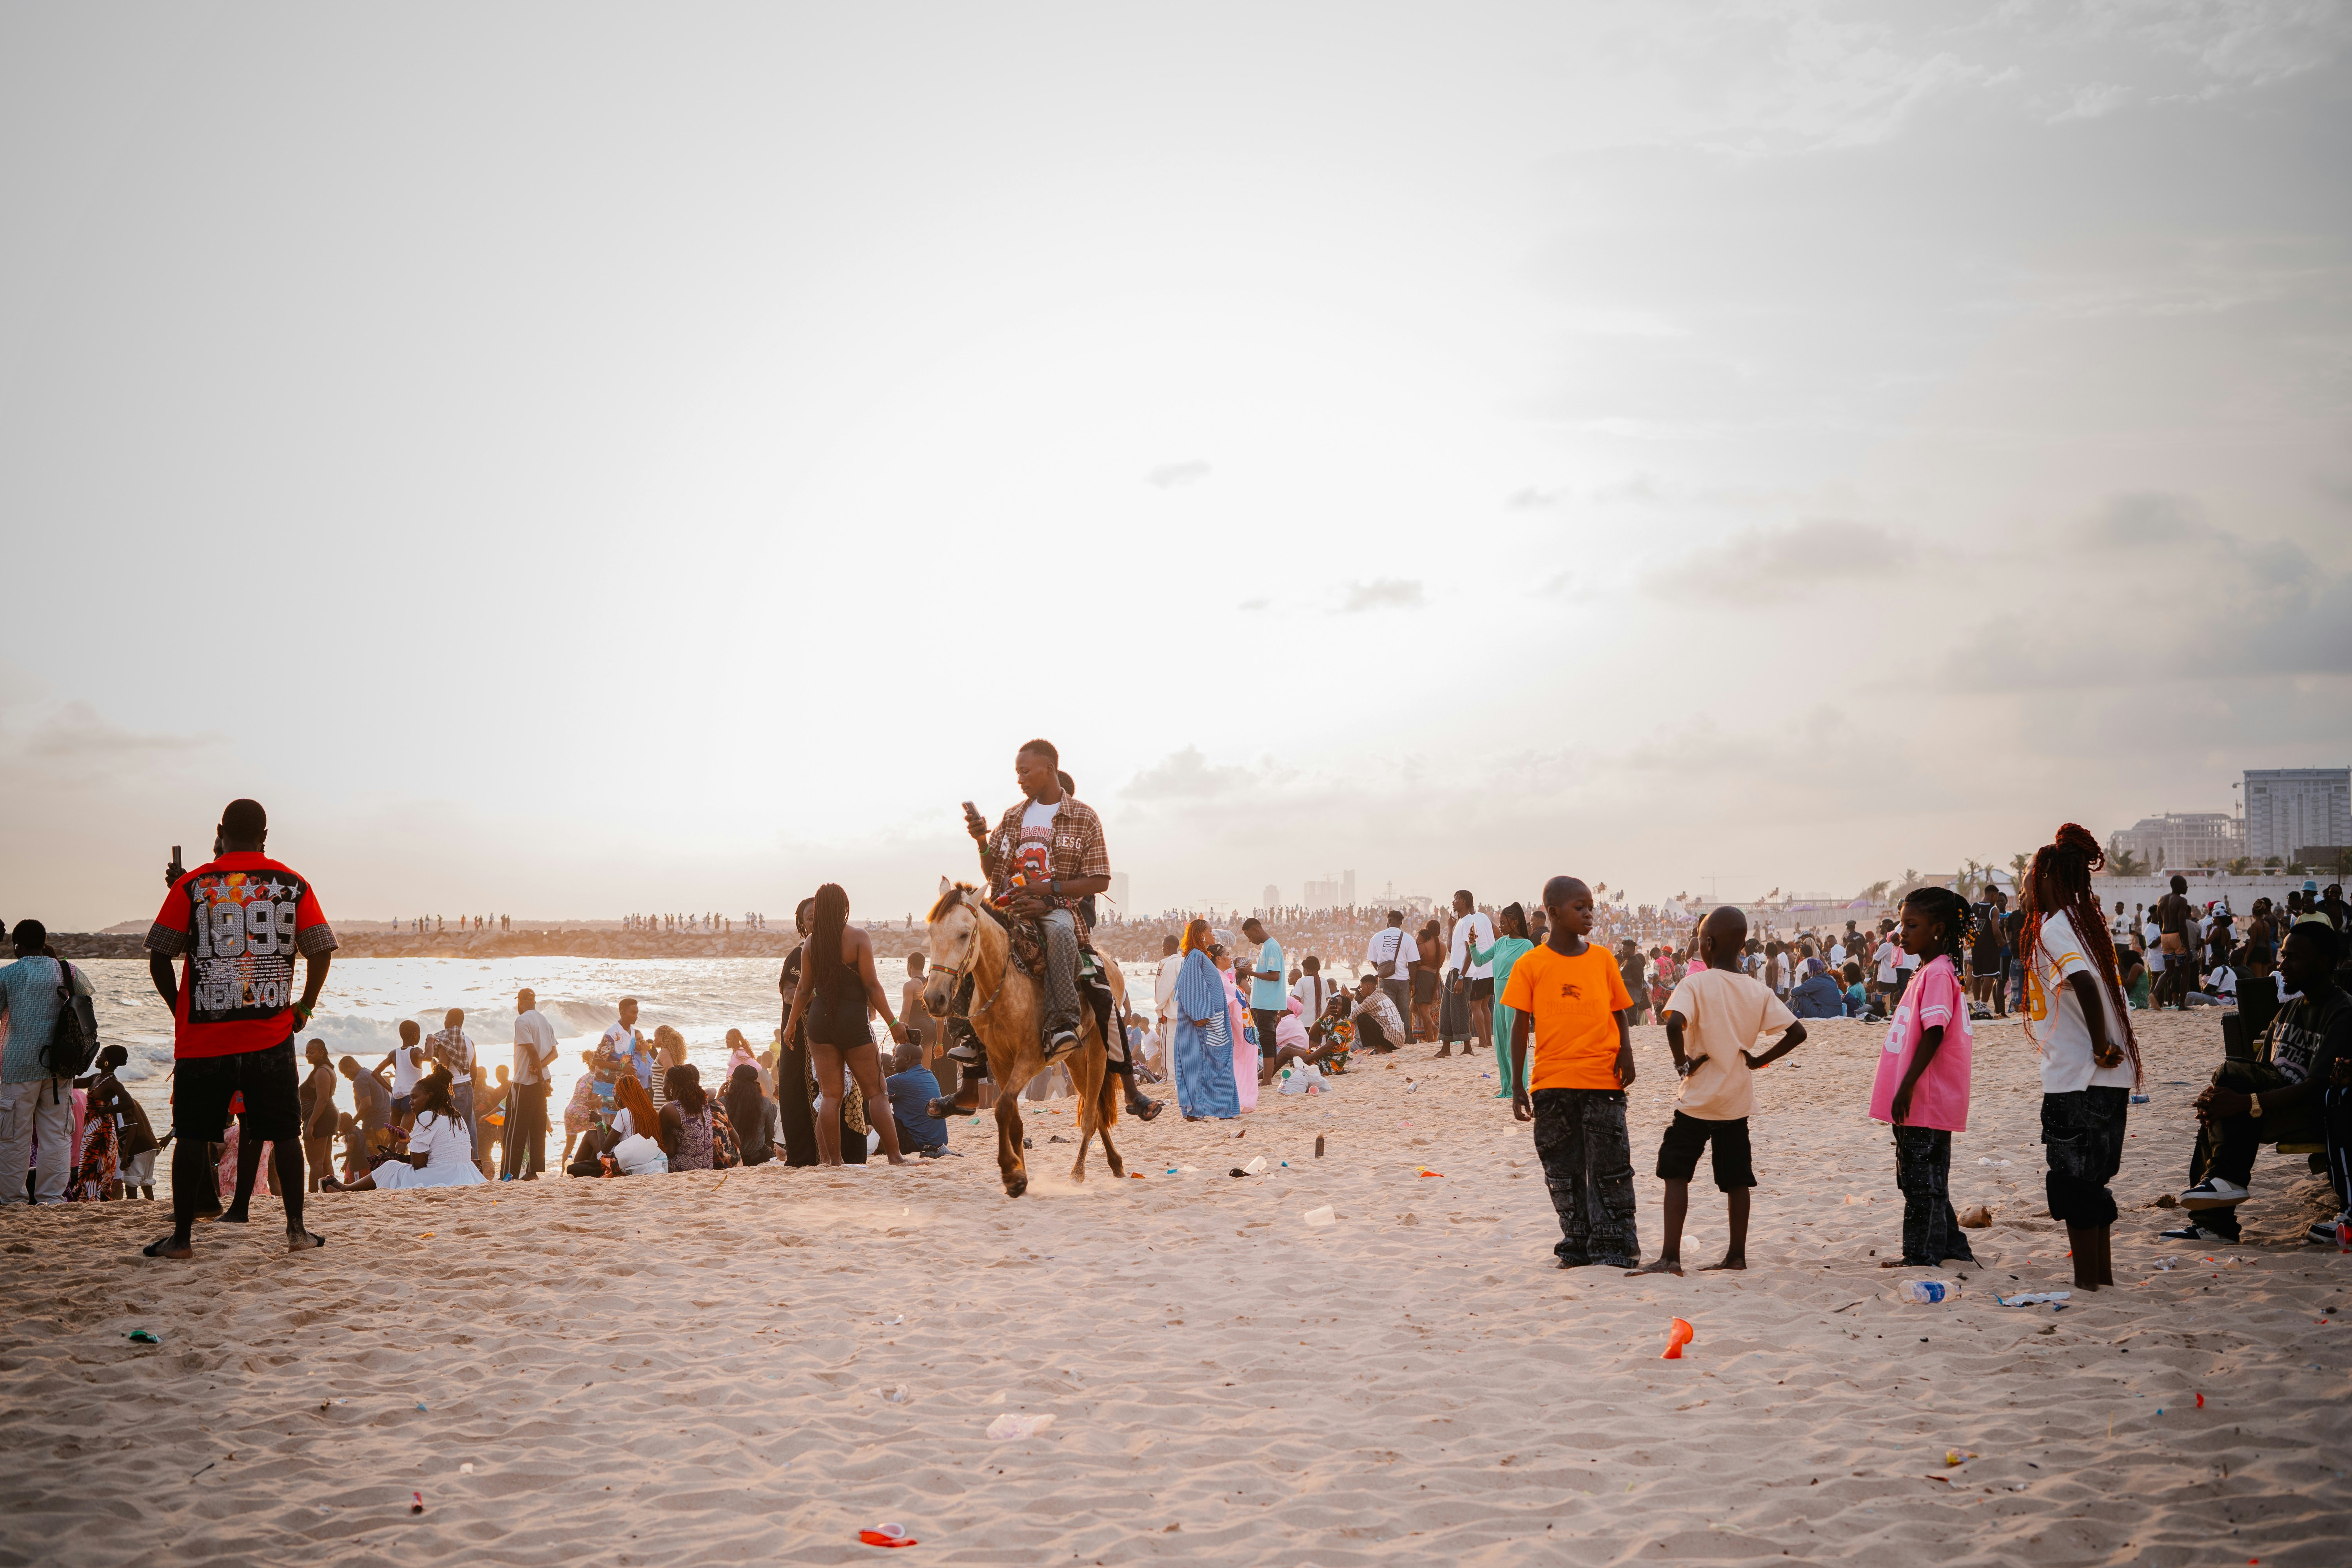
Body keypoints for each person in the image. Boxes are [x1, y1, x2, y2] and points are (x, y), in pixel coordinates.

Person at [139, 799, 332, 1257]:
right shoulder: (293, 883)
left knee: (191, 1135)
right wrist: (303, 1007)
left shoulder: (193, 884)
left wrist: (179, 1011)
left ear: (221, 831)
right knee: (286, 1134)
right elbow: (321, 948)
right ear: (265, 837)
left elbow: (159, 956)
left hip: (204, 1040)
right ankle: (297, 1231)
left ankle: (182, 1239)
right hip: (270, 1036)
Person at [1629, 905, 1804, 1276]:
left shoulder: (1695, 984)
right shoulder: (1756, 989)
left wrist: (1683, 1065)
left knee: (1676, 1172)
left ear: (1707, 943)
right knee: (1737, 1178)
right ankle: (1736, 1256)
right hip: (1736, 1101)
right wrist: (1757, 1061)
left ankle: (1671, 1257)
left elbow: (1674, 1024)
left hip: (1697, 1101)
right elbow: (1797, 1032)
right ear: (1741, 945)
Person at [2168, 920, 2348, 1244]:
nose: (2283, 965)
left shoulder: (2342, 1012)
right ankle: (2214, 1222)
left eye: (2293, 958)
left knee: (2228, 1082)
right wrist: (2224, 1100)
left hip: (2313, 1112)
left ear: (2322, 963)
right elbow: (2259, 1071)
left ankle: (2222, 1187)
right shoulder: (2289, 1010)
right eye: (2283, 955)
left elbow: (2316, 1087)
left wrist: (2245, 1102)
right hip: (2273, 1107)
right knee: (2217, 1103)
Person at [2019, 824, 2139, 1291]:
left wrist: (2097, 1044)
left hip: (2079, 1076)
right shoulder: (2086, 925)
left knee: (2073, 1185)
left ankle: (2088, 1283)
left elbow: (2085, 984)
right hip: (2109, 1078)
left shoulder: (2054, 927)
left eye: (2029, 874)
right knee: (2094, 1184)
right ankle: (2101, 1280)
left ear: (2047, 875)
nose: (2024, 884)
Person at [1505, 877, 1639, 1270]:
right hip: (1551, 1082)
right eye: (1579, 907)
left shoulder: (1602, 959)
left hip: (1603, 1080)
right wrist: (1517, 1084)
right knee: (1561, 1168)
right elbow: (1519, 1025)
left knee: (1611, 1168)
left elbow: (1619, 1010)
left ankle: (1614, 1244)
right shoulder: (1531, 963)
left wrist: (1627, 1052)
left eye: (1590, 906)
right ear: (1553, 912)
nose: (1588, 913)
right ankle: (1577, 1240)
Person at [960, 739, 1112, 1070]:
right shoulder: (1014, 816)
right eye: (1018, 772)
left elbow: (1100, 880)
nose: (1020, 779)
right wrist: (983, 841)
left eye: (1025, 771)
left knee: (1059, 933)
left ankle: (1061, 1024)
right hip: (1010, 908)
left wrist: (1048, 889)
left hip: (1057, 908)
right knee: (969, 935)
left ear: (1049, 769)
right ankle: (970, 1034)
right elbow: (994, 872)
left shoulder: (1084, 817)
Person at [1869, 888, 1978, 1270]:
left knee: (1921, 1183)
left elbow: (1934, 1031)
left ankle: (1921, 1255)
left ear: (1938, 929)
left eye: (1912, 925)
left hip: (1926, 1098)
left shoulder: (1937, 973)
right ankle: (1952, 1246)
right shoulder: (1930, 970)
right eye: (1902, 924)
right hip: (1922, 1099)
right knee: (1928, 1179)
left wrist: (1908, 1083)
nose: (1903, 933)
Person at [779, 883, 910, 1165]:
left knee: (830, 1096)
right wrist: (894, 1023)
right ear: (844, 908)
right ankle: (896, 1157)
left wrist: (790, 1026)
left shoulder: (811, 944)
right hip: (852, 1022)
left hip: (819, 1024)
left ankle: (835, 1163)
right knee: (877, 1091)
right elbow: (873, 986)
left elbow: (802, 990)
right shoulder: (858, 938)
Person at [0, 918, 95, 1205]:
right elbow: (86, 1005)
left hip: (19, 1066)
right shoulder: (69, 970)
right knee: (56, 1135)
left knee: (14, 1137)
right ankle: (51, 1198)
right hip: (60, 1065)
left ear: (17, 945)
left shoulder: (8, 975)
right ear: (44, 941)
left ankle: (12, 1200)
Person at [321, 1072, 485, 1191]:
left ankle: (345, 1189)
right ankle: (347, 1188)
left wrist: (412, 1145)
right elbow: (444, 1145)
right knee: (394, 1167)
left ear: (430, 1096)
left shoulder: (428, 1116)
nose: (411, 1103)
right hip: (464, 1172)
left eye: (415, 1098)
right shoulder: (455, 1116)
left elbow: (418, 1164)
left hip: (441, 1176)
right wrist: (410, 1139)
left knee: (391, 1166)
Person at [1170, 919, 1241, 1120]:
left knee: (1211, 1064)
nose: (1213, 935)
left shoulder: (1199, 955)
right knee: (1201, 1065)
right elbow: (1188, 985)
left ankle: (1215, 1109)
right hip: (1203, 1023)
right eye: (1210, 931)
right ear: (1201, 934)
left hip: (1210, 1021)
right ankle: (1200, 1111)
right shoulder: (1195, 956)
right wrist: (1200, 1015)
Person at [1473, 906, 1537, 1100]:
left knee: (1514, 1045)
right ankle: (1506, 1088)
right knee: (1501, 1046)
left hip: (1516, 998)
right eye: (1499, 922)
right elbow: (1479, 961)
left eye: (1502, 922)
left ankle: (1519, 1087)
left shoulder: (1527, 946)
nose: (1499, 926)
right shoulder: (1500, 943)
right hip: (1499, 998)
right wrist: (1472, 945)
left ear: (1514, 922)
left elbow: (1533, 975)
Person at [80, 1045, 158, 1200]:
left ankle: (131, 1207)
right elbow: (71, 1083)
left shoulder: (114, 1090)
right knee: (145, 1183)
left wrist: (126, 1154)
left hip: (138, 1148)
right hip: (147, 1145)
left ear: (107, 1062)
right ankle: (148, 1207)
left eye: (101, 1055)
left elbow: (132, 1124)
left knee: (132, 1182)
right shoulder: (96, 1079)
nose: (98, 1058)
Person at [508, 987, 561, 1179]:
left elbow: (532, 1052)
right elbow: (554, 1053)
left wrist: (537, 1074)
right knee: (537, 1128)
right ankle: (533, 1172)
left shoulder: (522, 1020)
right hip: (543, 1079)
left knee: (515, 1130)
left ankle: (509, 1173)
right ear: (534, 1002)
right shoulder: (544, 1021)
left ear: (520, 1002)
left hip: (526, 1081)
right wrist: (541, 1071)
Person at [1448, 891, 1497, 1051]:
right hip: (1491, 967)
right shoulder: (1484, 917)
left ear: (1464, 902)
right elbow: (1499, 935)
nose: (1453, 902)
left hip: (1479, 969)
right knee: (1485, 1006)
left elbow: (1467, 951)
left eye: (1456, 899)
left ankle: (1483, 1042)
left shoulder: (1467, 922)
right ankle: (1488, 1042)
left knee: (1474, 1005)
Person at [884, 1043, 949, 1156]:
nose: (893, 1060)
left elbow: (872, 1096)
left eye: (896, 1056)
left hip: (918, 1145)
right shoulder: (930, 1076)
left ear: (908, 1059)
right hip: (940, 1143)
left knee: (872, 1105)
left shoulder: (900, 1081)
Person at [1363, 911, 1418, 1043]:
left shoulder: (1376, 937)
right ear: (1401, 922)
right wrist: (1413, 984)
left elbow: (1373, 960)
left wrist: (1381, 971)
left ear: (1388, 921)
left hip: (1386, 981)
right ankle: (1405, 1041)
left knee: (1388, 1013)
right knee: (1404, 1013)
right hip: (1403, 981)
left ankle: (1390, 1041)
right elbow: (1413, 964)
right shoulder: (1408, 939)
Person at [1240, 918, 1287, 1056]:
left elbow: (1274, 976)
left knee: (1267, 1040)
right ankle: (1268, 1077)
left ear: (1256, 930)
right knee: (1268, 1039)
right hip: (1265, 1003)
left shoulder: (1271, 946)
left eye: (1250, 936)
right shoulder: (1267, 946)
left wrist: (1251, 973)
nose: (1250, 940)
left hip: (1267, 1003)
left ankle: (1267, 1079)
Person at [425, 1009, 475, 1138]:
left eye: (445, 1019)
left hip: (454, 1091)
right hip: (468, 1088)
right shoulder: (470, 1041)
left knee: (453, 1133)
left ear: (449, 1021)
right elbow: (473, 1071)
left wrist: (433, 1065)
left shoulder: (445, 1042)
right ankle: (472, 1158)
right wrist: (469, 1090)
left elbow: (443, 1071)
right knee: (468, 1133)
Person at [298, 1040, 339, 1192]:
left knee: (316, 1162)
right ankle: (331, 1190)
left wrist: (310, 1125)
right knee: (325, 1161)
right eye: (307, 1052)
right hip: (328, 1116)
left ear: (322, 1053)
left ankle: (314, 1194)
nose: (308, 1055)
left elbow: (322, 1100)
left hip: (321, 1117)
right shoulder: (326, 1068)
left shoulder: (322, 1071)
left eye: (312, 1052)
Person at [724, 1062, 781, 1166]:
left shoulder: (722, 1102)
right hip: (756, 1159)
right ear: (756, 1084)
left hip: (730, 1160)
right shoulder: (765, 1103)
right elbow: (770, 1135)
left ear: (732, 1083)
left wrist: (718, 1097)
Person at [376, 1021, 426, 1130]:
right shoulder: (416, 1052)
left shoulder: (394, 1053)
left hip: (396, 1100)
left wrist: (392, 1090)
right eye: (419, 1034)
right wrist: (431, 1041)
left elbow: (376, 1073)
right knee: (403, 1140)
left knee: (393, 1141)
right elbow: (428, 1057)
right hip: (411, 1099)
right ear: (415, 1035)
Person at [1348, 972, 1407, 1055]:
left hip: (1392, 1040)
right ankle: (1384, 1048)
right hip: (1399, 1040)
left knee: (1361, 1017)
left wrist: (1348, 1001)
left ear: (1368, 987)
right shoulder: (1383, 996)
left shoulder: (1371, 999)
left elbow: (1352, 1016)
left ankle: (1380, 1048)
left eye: (1361, 987)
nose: (1360, 990)